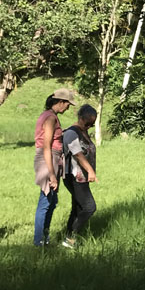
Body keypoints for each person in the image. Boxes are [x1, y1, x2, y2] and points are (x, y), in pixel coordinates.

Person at [34, 87, 76, 247]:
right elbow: (46, 146)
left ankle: (44, 238)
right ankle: (39, 242)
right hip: (48, 160)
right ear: (60, 102)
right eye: (67, 104)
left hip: (53, 159)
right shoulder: (50, 118)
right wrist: (52, 175)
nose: (68, 108)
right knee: (45, 201)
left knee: (51, 200)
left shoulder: (51, 117)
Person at [61, 104, 98, 248]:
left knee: (77, 208)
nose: (89, 126)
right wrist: (91, 171)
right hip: (74, 176)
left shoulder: (83, 132)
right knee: (89, 207)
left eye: (92, 124)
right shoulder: (71, 133)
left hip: (81, 176)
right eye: (87, 123)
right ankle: (70, 238)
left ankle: (69, 240)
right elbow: (78, 154)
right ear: (80, 118)